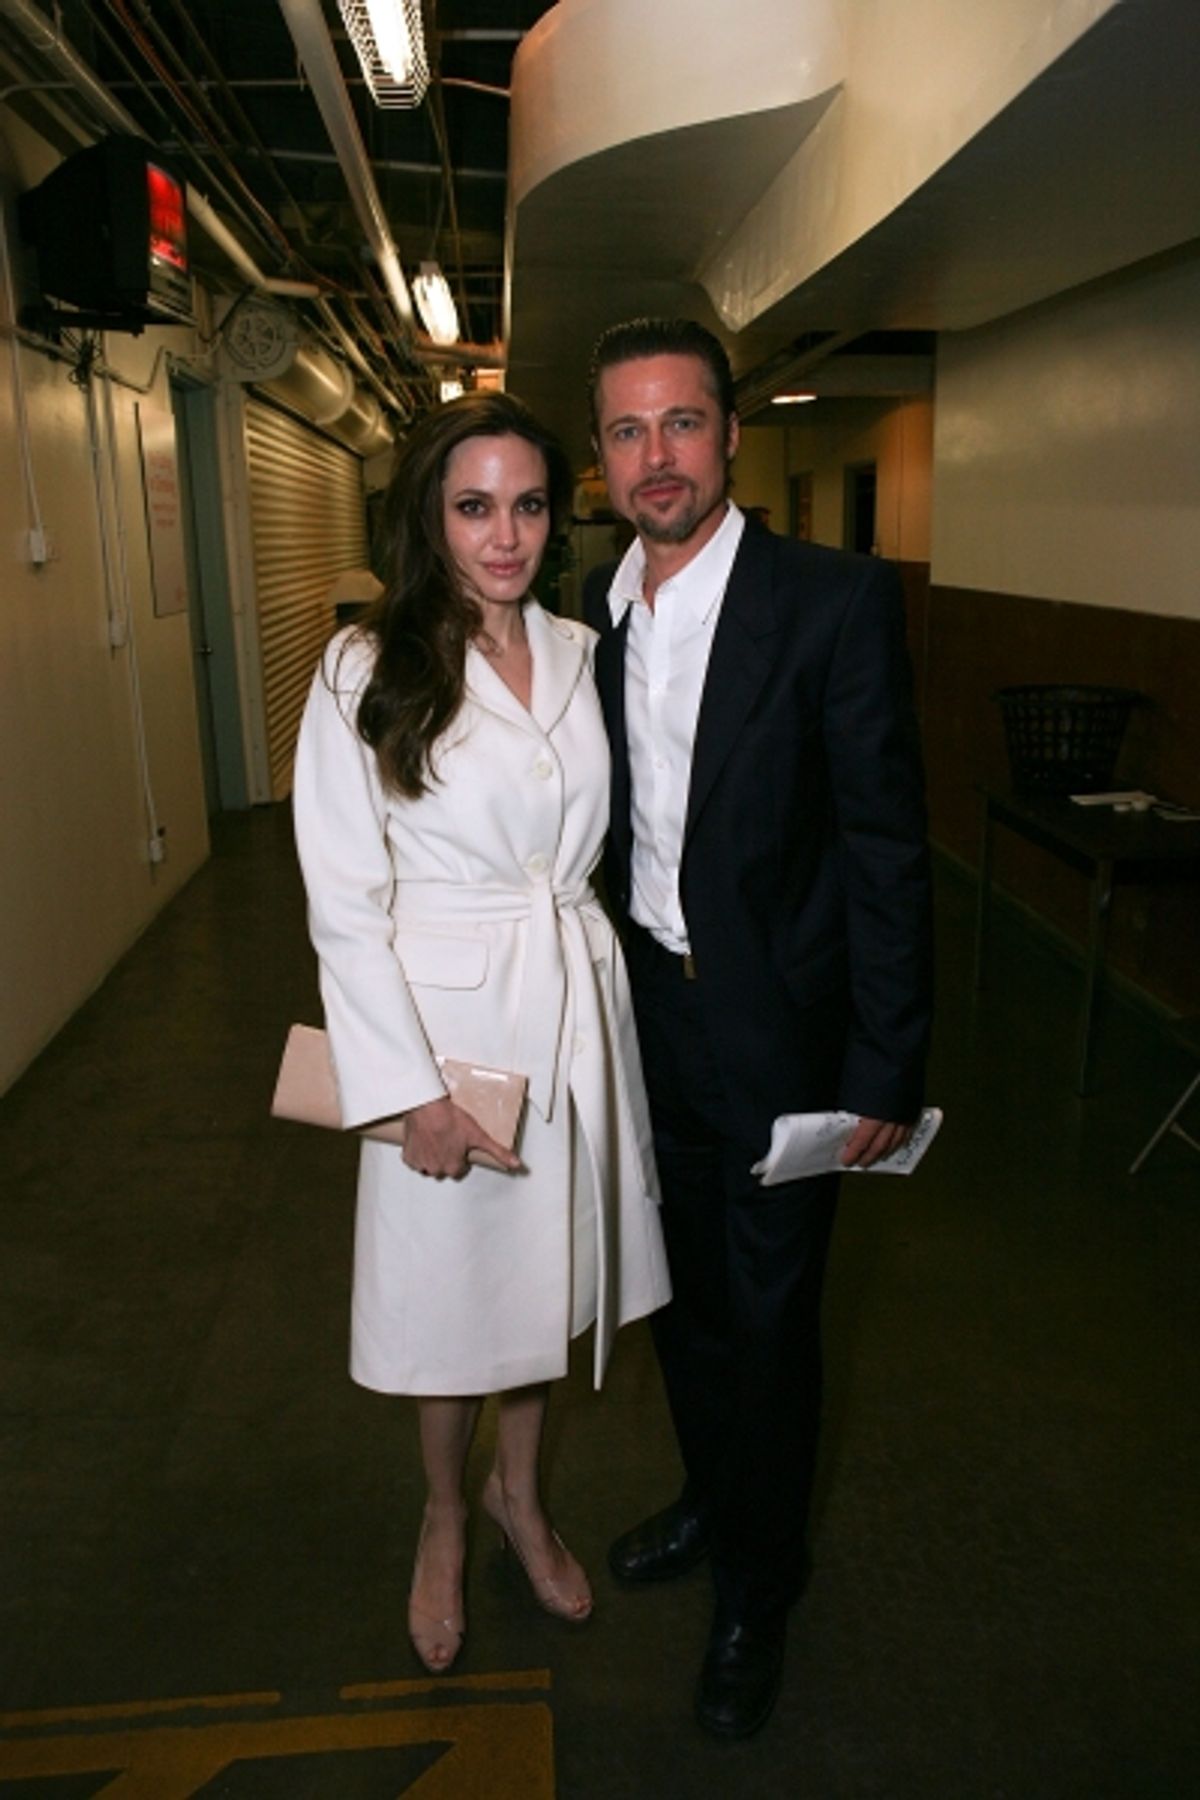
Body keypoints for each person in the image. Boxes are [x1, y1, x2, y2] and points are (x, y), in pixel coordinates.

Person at [583, 319, 933, 1739]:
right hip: (644, 1029)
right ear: (602, 456)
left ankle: (757, 1587)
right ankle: (712, 1498)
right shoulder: (590, 616)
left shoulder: (833, 602)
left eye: (682, 422)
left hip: (783, 1038)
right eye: (627, 431)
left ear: (731, 434)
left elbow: (885, 849)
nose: (656, 456)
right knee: (682, 1303)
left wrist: (886, 1066)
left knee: (773, 1326)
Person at [292, 390, 670, 1678]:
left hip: (570, 1009)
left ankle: (521, 1496)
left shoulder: (581, 648)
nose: (503, 537)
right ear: (429, 517)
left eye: (527, 506)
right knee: (453, 1297)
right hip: (446, 1030)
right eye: (472, 507)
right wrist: (411, 1094)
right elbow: (345, 904)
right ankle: (447, 1514)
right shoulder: (362, 667)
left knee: (543, 1283)